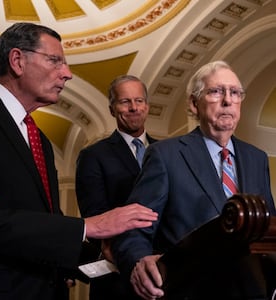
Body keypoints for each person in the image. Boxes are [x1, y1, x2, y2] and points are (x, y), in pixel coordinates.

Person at [0, 22, 158, 300]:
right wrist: (89, 226)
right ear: (17, 61)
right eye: (55, 61)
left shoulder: (40, 140)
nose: (67, 74)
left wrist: (109, 257)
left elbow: (46, 223)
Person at [112, 60, 276, 300]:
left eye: (235, 93)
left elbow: (268, 228)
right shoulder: (165, 155)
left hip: (252, 291)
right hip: (191, 290)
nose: (228, 101)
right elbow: (134, 229)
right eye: (216, 92)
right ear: (193, 103)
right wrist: (140, 262)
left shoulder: (257, 158)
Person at [76, 75, 157, 299]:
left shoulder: (168, 151)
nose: (133, 108)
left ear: (147, 106)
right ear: (112, 109)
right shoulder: (93, 156)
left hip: (163, 270)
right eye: (125, 102)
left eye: (139, 101)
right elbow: (95, 216)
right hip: (117, 275)